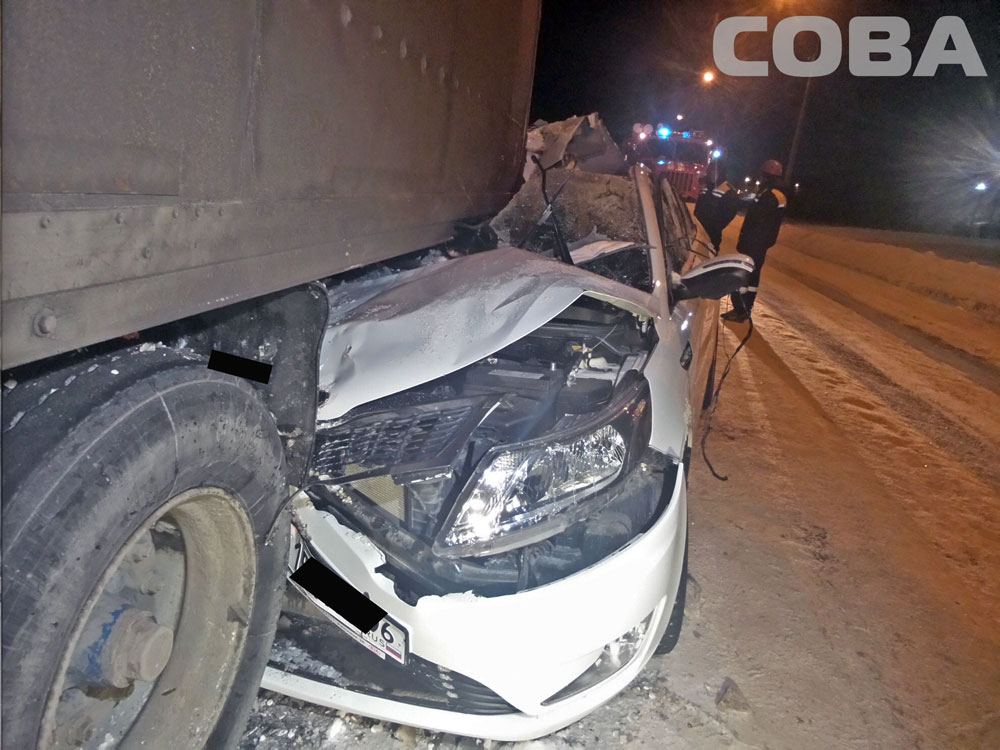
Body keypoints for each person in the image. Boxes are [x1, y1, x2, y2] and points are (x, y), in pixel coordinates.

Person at [721, 159, 787, 322]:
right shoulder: (773, 193)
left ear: (766, 175)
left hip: (755, 242)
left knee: (743, 275)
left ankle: (741, 310)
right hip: (759, 242)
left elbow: (757, 219)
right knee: (751, 277)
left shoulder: (770, 195)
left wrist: (746, 238)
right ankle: (744, 309)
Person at [693, 171, 740, 253]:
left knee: (708, 255)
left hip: (712, 234)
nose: (712, 174)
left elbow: (730, 213)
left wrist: (715, 226)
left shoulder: (728, 190)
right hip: (698, 230)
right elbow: (698, 207)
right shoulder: (706, 187)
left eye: (715, 172)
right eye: (710, 171)